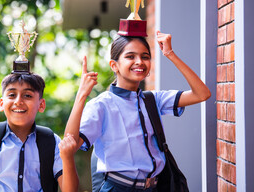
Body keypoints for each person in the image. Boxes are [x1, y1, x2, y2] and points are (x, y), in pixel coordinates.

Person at [64, 31, 211, 192]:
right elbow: (70, 143)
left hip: (155, 187)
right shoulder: (101, 105)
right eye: (130, 56)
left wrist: (170, 54)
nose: (139, 62)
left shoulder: (153, 99)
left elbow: (202, 94)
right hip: (118, 188)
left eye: (145, 56)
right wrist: (81, 96)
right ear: (114, 65)